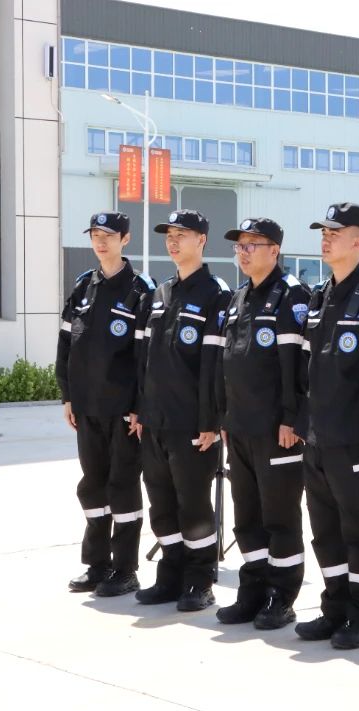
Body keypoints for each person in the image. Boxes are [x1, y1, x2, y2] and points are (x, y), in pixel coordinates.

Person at [294, 202, 359, 649]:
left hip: (358, 439)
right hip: (320, 437)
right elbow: (307, 368)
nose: (325, 239)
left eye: (334, 233)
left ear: (358, 241)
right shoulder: (320, 296)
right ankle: (335, 608)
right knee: (326, 534)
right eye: (323, 232)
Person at [212, 217, 312, 630]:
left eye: (253, 244)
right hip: (240, 427)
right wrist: (224, 417)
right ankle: (252, 591)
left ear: (275, 249)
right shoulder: (238, 298)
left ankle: (281, 597)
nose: (244, 251)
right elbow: (226, 363)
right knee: (247, 517)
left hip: (276, 431)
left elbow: (299, 367)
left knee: (280, 517)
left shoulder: (292, 295)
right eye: (240, 245)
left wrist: (292, 419)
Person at [133, 209, 233, 612]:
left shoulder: (216, 293)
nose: (173, 242)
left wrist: (210, 420)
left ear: (202, 240)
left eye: (182, 235)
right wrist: (139, 410)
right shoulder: (159, 294)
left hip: (192, 424)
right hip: (155, 421)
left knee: (193, 506)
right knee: (161, 504)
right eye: (169, 235)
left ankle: (199, 580)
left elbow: (215, 366)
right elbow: (143, 359)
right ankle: (170, 576)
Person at [58, 211, 155, 597]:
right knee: (92, 486)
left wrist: (140, 406)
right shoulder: (84, 285)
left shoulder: (141, 289)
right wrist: (67, 395)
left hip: (123, 410)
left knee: (122, 486)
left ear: (125, 239)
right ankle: (97, 564)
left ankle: (125, 569)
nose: (100, 242)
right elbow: (66, 343)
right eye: (95, 235)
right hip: (87, 407)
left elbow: (146, 357)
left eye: (108, 236)